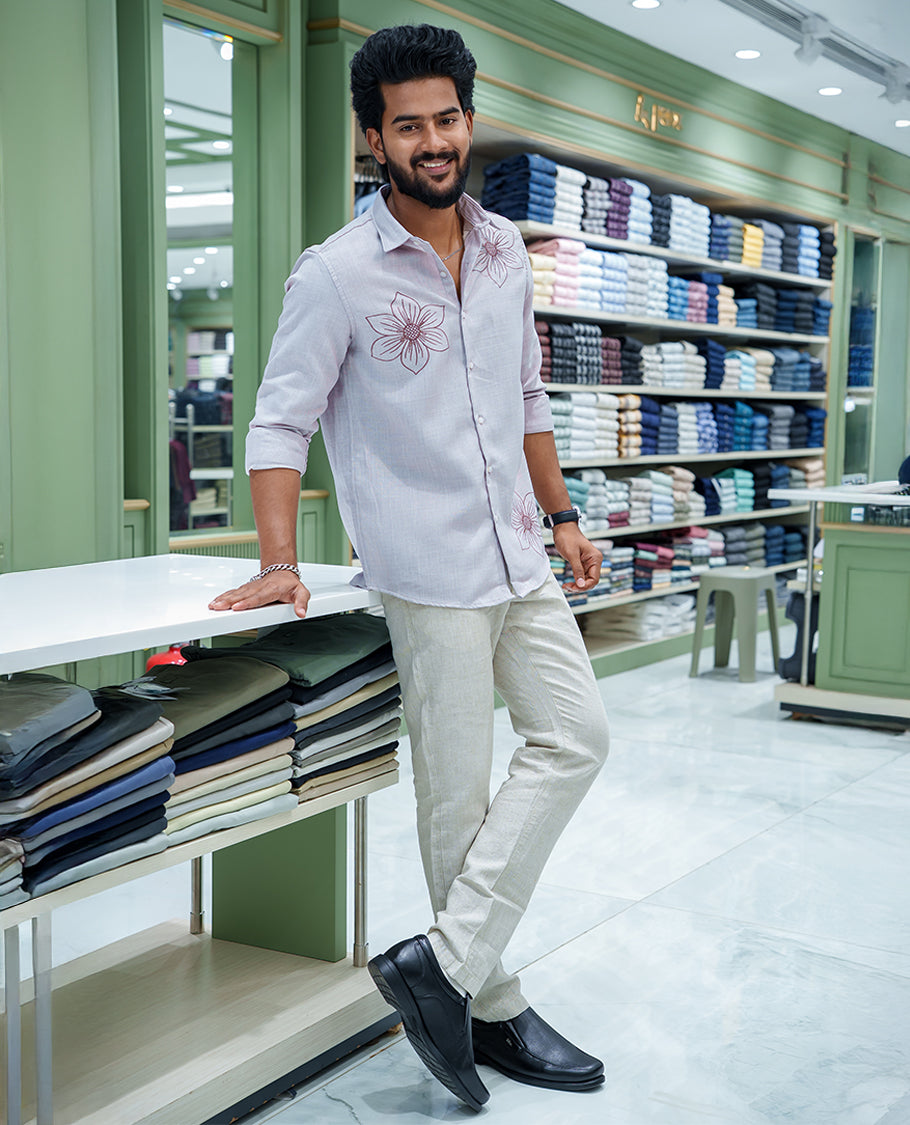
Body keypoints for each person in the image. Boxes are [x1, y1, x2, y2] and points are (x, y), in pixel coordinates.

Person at [210, 23, 610, 1111]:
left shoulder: (502, 252)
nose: (431, 140)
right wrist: (280, 559)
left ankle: (441, 966)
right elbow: (278, 423)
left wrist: (563, 512)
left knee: (577, 734)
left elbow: (528, 400)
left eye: (445, 119)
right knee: (457, 798)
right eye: (407, 125)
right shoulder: (334, 275)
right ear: (372, 136)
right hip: (424, 569)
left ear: (468, 122)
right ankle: (493, 1004)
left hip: (518, 554)